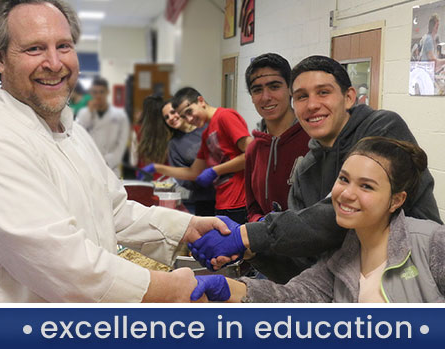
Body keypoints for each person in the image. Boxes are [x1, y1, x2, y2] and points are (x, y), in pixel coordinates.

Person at [0, 0, 227, 303]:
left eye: (63, 46)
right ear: (0, 61)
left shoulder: (72, 130)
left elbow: (114, 209)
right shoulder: (5, 140)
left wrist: (188, 227)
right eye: (34, 49)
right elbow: (69, 266)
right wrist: (170, 288)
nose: (54, 62)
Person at [188, 55, 440, 284]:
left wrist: (246, 235)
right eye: (301, 96)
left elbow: (340, 216)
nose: (312, 105)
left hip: (414, 277)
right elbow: (303, 263)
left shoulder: (382, 130)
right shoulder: (306, 170)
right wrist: (250, 252)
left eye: (323, 92)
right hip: (349, 291)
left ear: (349, 97)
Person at [190, 137, 445, 303]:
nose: (346, 194)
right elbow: (295, 297)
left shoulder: (430, 243)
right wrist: (228, 288)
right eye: (344, 179)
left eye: (366, 186)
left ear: (396, 200)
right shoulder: (342, 256)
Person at [145, 87, 251, 224]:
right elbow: (193, 172)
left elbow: (251, 153)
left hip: (239, 202)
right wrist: (157, 168)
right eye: (184, 116)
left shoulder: (225, 116)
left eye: (189, 112)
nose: (189, 119)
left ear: (200, 101)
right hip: (222, 203)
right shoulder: (206, 134)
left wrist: (215, 170)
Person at [241, 53, 309, 223]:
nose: (266, 97)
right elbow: (252, 207)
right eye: (257, 90)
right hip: (266, 245)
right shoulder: (254, 149)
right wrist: (259, 223)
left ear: (290, 89)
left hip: (307, 246)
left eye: (274, 86)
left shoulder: (313, 140)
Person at [140, 97, 215, 215]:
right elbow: (183, 178)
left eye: (173, 112)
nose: (171, 118)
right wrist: (198, 181)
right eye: (166, 117)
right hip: (203, 199)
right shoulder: (174, 144)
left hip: (228, 192)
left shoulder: (205, 126)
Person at [75, 77, 129, 171]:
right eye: (95, 92)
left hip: (112, 166)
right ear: (91, 93)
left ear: (108, 92)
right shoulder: (83, 113)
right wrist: (90, 112)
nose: (98, 95)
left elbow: (122, 143)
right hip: (90, 164)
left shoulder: (120, 115)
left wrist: (109, 161)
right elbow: (78, 136)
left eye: (101, 92)